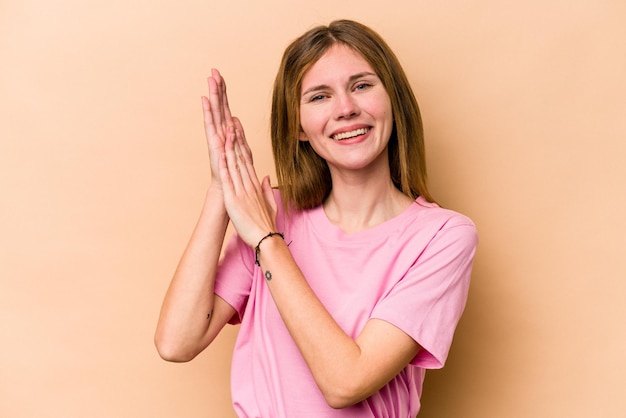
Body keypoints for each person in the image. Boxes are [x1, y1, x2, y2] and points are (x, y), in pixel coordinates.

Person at [155, 19, 478, 417]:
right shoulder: (270, 215)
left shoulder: (442, 236)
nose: (346, 109)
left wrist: (267, 241)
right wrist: (223, 188)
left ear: (393, 100)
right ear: (299, 127)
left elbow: (346, 383)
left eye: (362, 85)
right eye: (319, 96)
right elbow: (176, 342)